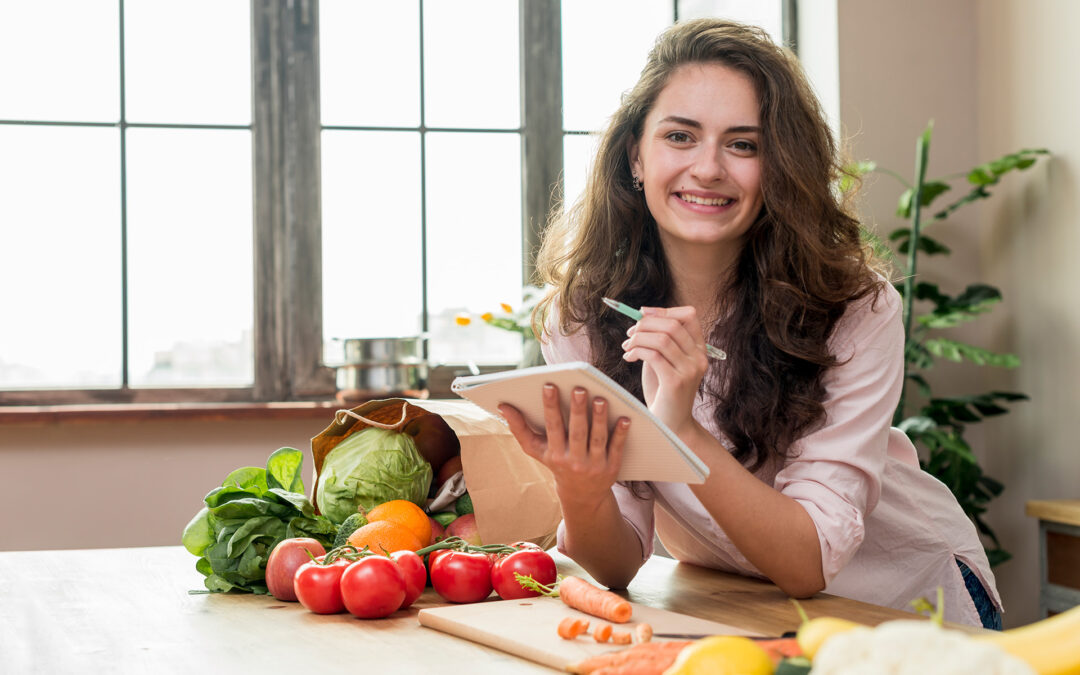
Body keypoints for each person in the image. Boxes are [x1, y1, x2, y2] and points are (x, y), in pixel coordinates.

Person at [497, 18, 1003, 629]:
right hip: (748, 612)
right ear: (636, 154)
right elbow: (613, 566)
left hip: (903, 606)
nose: (708, 168)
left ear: (779, 167)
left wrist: (678, 429)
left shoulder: (854, 308)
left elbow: (809, 562)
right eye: (680, 136)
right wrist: (580, 487)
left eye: (743, 145)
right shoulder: (582, 317)